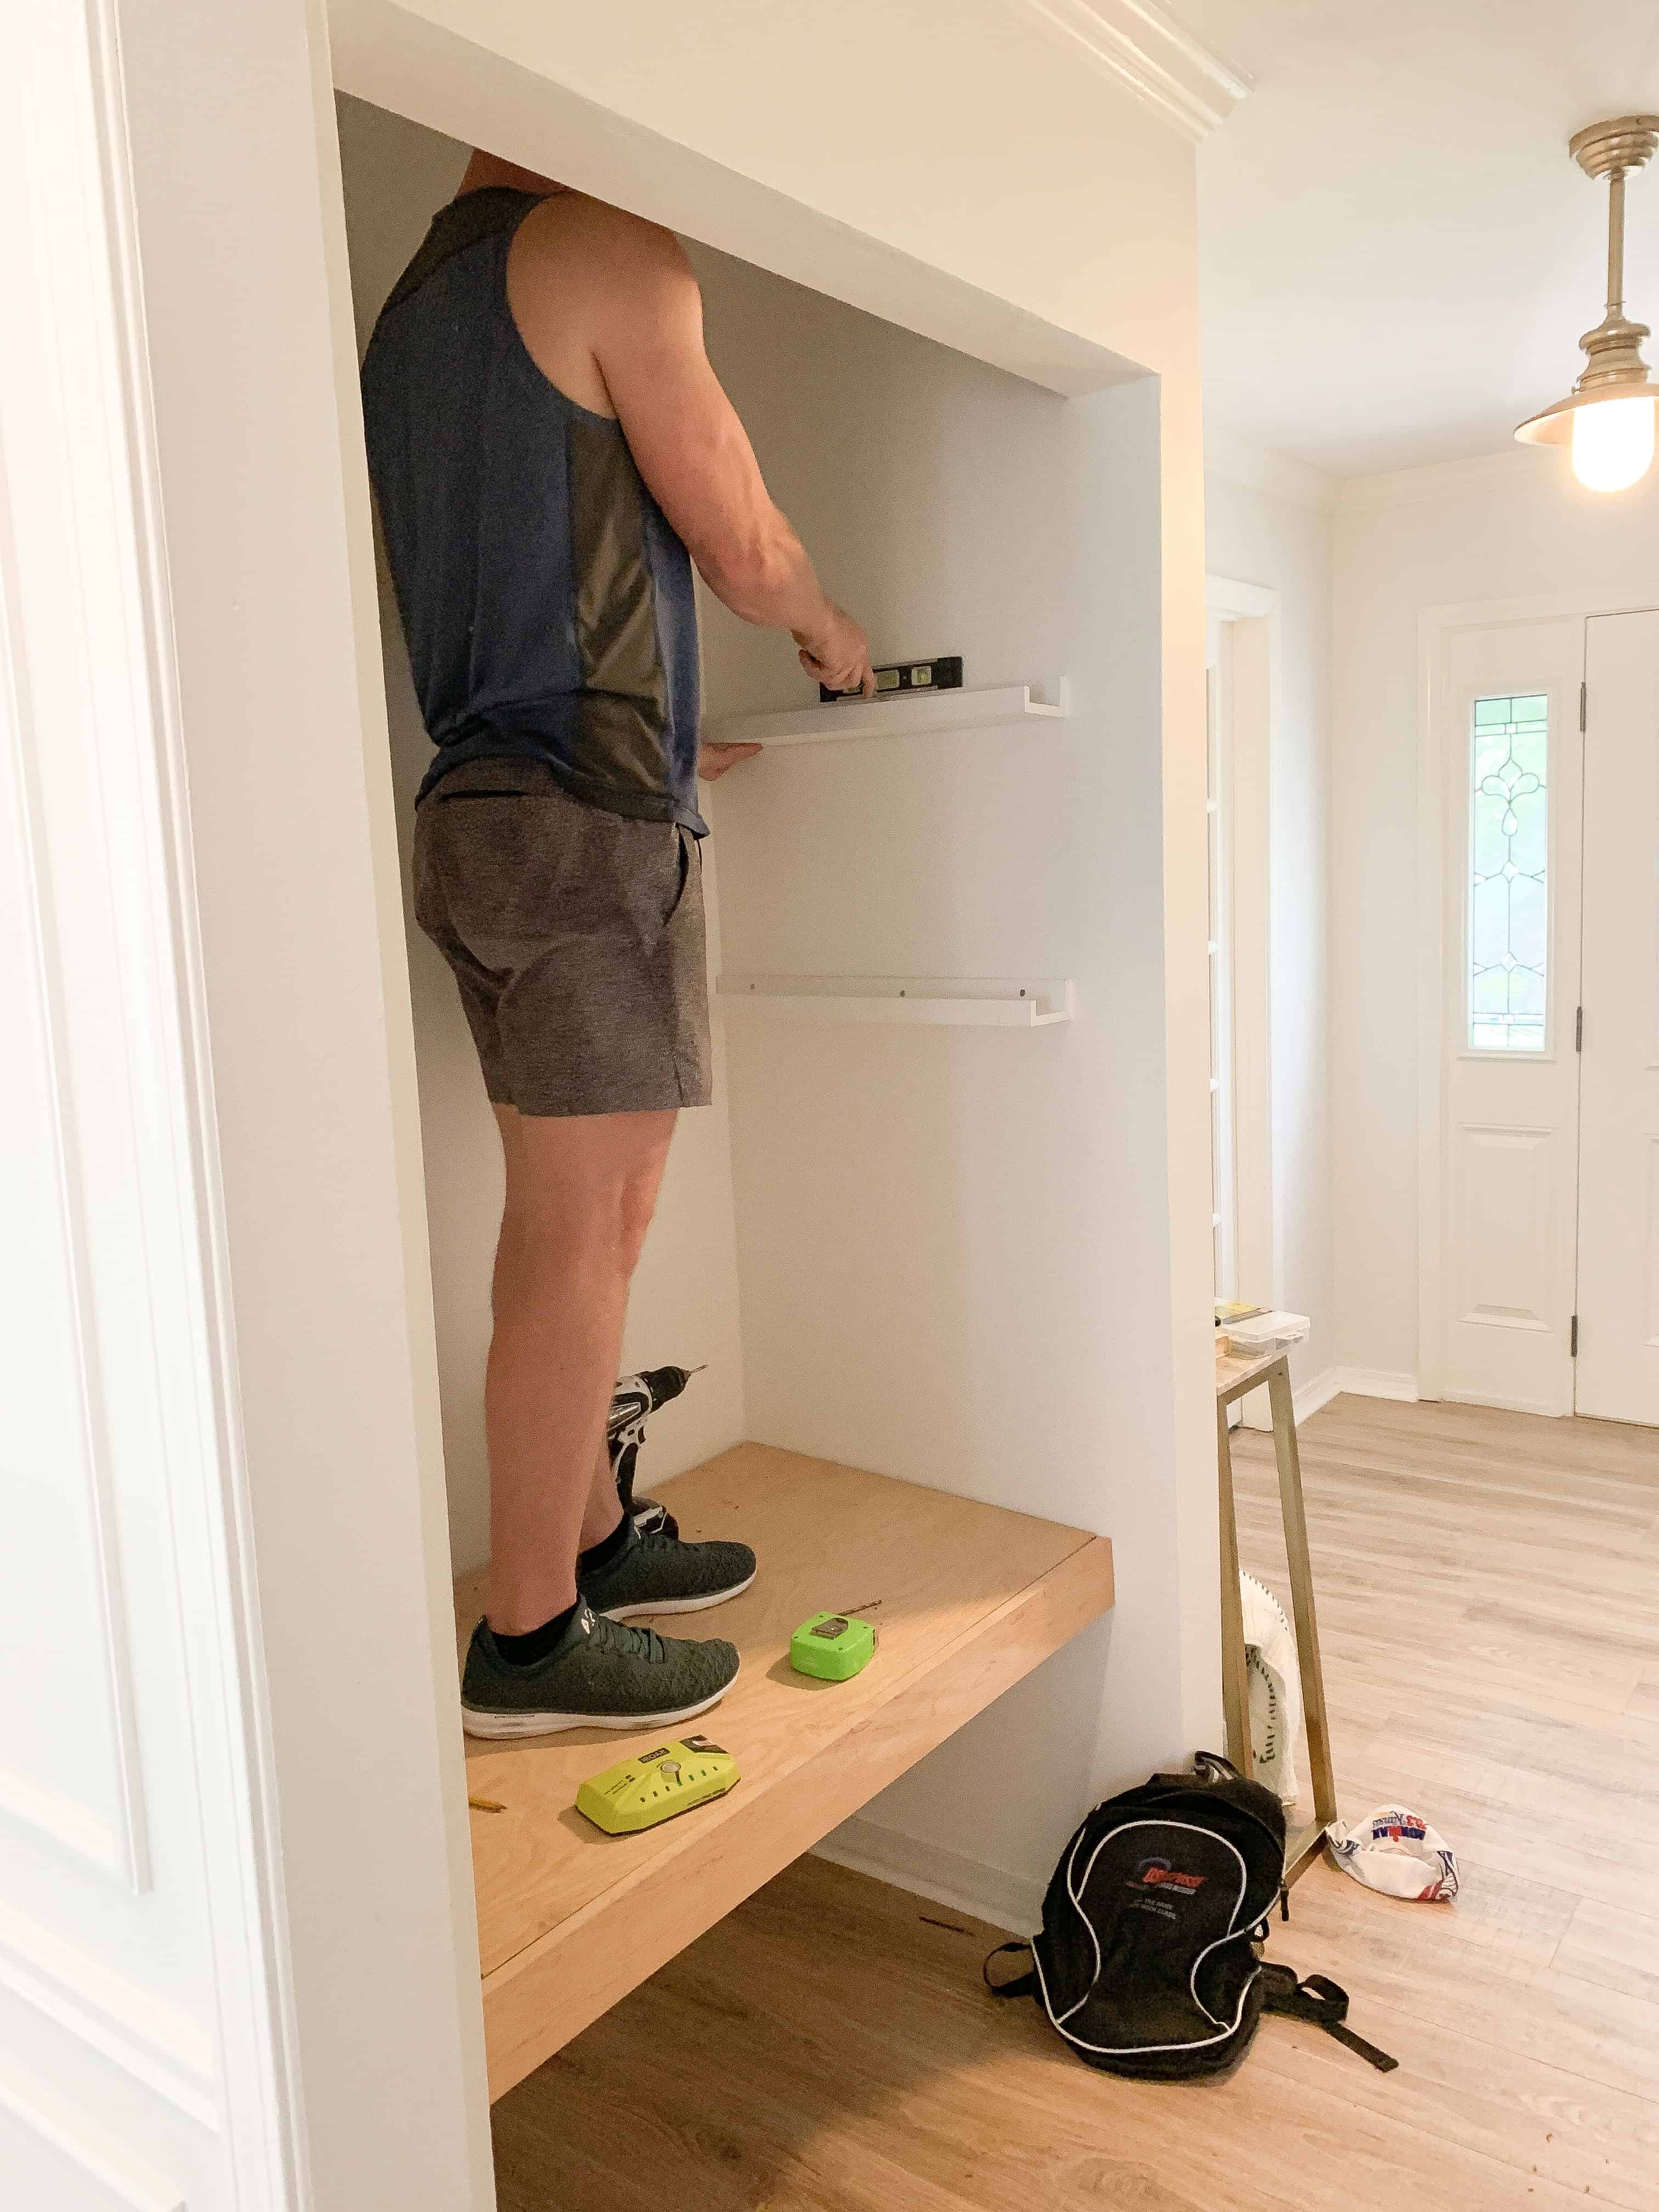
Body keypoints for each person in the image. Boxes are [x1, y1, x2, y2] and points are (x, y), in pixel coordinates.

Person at [361, 151, 873, 1736]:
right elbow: (736, 536)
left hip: (493, 804)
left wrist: (666, 741)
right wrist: (827, 632)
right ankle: (531, 1642)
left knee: (570, 1228)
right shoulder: (606, 244)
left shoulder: (423, 298)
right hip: (582, 830)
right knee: (585, 1237)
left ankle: (586, 1540)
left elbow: (541, 574)